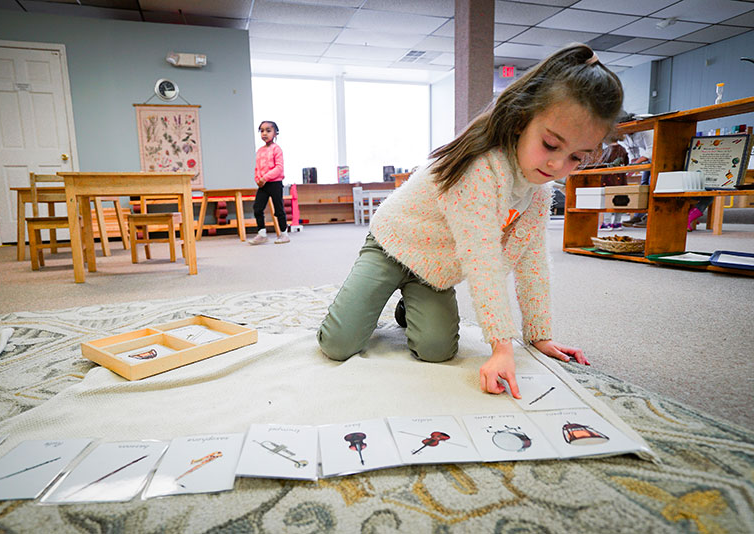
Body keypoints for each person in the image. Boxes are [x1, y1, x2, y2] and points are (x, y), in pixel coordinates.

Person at [317, 44, 624, 398]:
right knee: (338, 345)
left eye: (576, 157)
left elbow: (533, 261)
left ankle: (406, 305)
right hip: (393, 244)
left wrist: (539, 336)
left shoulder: (540, 190)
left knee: (437, 351)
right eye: (550, 144)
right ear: (522, 119)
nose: (557, 165)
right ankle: (369, 293)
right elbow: (482, 260)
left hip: (434, 269)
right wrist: (501, 347)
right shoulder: (481, 170)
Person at [248, 120, 290, 245]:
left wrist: (265, 178)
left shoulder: (277, 149)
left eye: (268, 130)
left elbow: (279, 168)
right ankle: (261, 233)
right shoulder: (260, 151)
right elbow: (257, 168)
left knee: (279, 209)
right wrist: (258, 179)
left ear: (275, 133)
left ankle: (284, 234)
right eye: (262, 131)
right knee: (257, 208)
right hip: (263, 185)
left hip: (275, 183)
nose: (264, 133)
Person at [597, 138, 629, 230]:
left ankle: (607, 223)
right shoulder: (623, 149)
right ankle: (617, 222)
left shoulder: (605, 151)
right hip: (621, 178)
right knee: (621, 199)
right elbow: (627, 162)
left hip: (607, 179)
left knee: (608, 199)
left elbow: (600, 164)